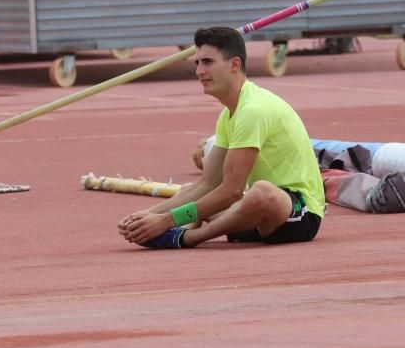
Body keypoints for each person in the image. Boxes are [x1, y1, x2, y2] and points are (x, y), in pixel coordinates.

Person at [118, 27, 326, 249]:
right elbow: (208, 182)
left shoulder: (253, 110)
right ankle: (183, 225)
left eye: (207, 62)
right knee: (190, 191)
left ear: (235, 65)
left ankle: (187, 237)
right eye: (197, 63)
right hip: (257, 216)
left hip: (299, 214)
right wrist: (144, 216)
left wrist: (166, 219)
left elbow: (232, 190)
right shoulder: (229, 114)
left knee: (261, 192)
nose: (199, 71)